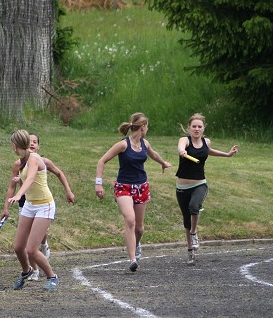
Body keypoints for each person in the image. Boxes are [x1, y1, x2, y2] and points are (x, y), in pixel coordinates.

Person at [95, 112, 171, 272]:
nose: (147, 129)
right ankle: (132, 259)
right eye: (147, 126)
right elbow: (102, 160)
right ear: (143, 127)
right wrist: (98, 184)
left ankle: (136, 244)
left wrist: (163, 163)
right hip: (124, 187)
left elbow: (153, 154)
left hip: (141, 186)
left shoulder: (145, 144)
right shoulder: (123, 145)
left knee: (139, 228)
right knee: (130, 220)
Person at [5, 130, 74, 291]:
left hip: (44, 205)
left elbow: (30, 178)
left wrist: (18, 195)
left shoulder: (34, 158)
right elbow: (24, 179)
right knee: (18, 247)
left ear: (14, 146)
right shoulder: (20, 161)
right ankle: (26, 271)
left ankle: (52, 276)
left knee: (31, 249)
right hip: (30, 205)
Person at [176, 113, 238, 265]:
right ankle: (190, 252)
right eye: (194, 126)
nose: (196, 129)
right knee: (186, 220)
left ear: (203, 128)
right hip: (182, 186)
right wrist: (182, 151)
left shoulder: (206, 141)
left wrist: (227, 154)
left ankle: (194, 233)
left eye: (199, 126)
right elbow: (180, 147)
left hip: (199, 184)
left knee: (194, 207)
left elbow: (209, 151)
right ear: (189, 128)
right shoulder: (185, 140)